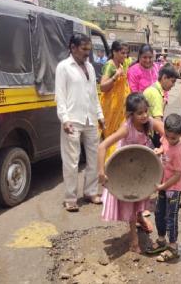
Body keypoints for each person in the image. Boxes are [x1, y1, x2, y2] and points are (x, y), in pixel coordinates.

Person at [98, 93, 164, 253]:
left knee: (143, 194)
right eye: (139, 113)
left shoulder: (149, 122)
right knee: (131, 200)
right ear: (130, 114)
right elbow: (102, 146)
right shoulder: (126, 128)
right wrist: (101, 171)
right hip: (125, 167)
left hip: (142, 165)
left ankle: (140, 217)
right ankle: (134, 241)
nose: (144, 116)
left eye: (146, 111)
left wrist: (165, 146)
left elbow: (166, 134)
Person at [55, 33, 105, 212]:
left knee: (93, 159)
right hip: (72, 120)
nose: (87, 53)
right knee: (71, 161)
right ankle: (70, 197)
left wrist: (100, 115)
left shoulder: (90, 67)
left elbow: (94, 94)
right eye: (84, 49)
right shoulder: (63, 67)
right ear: (73, 47)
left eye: (88, 50)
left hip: (90, 119)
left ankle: (91, 192)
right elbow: (59, 96)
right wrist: (65, 119)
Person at [147, 114, 181, 262]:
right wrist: (160, 150)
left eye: (174, 138)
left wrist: (162, 186)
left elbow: (177, 176)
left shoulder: (179, 151)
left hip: (173, 187)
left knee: (171, 217)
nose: (170, 140)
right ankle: (161, 239)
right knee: (159, 213)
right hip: (164, 184)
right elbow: (164, 146)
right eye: (168, 136)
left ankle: (173, 246)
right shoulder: (165, 137)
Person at [99, 41, 131, 158]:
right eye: (122, 53)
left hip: (119, 110)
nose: (125, 56)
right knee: (110, 138)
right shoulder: (110, 66)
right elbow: (102, 87)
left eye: (126, 53)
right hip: (110, 110)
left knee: (119, 137)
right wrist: (115, 77)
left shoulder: (121, 66)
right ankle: (108, 163)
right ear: (114, 52)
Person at [144, 64, 179, 147]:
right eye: (172, 81)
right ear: (164, 78)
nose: (173, 85)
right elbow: (158, 121)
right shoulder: (155, 94)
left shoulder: (155, 90)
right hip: (149, 135)